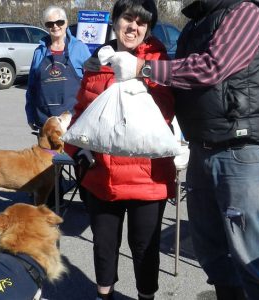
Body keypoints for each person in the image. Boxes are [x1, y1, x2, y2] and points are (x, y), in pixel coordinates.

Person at [114, 0, 259, 299]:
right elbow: (180, 80)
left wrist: (144, 68)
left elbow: (212, 67)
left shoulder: (245, 11)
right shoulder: (195, 23)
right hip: (201, 149)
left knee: (252, 257)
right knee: (213, 253)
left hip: (240, 152)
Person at [64, 1, 176, 299]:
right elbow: (80, 115)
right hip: (101, 175)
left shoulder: (159, 62)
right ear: (115, 21)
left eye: (141, 23)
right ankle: (104, 295)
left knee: (144, 247)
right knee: (103, 244)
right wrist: (77, 152)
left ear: (148, 28)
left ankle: (146, 296)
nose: (133, 27)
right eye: (128, 18)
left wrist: (140, 75)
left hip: (148, 177)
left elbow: (165, 113)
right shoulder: (98, 60)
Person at [25, 5, 91, 130]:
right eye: (50, 24)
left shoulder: (79, 48)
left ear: (66, 23)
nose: (55, 26)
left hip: (73, 122)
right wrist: (30, 115)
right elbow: (32, 88)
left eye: (59, 22)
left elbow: (92, 82)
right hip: (45, 123)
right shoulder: (39, 52)